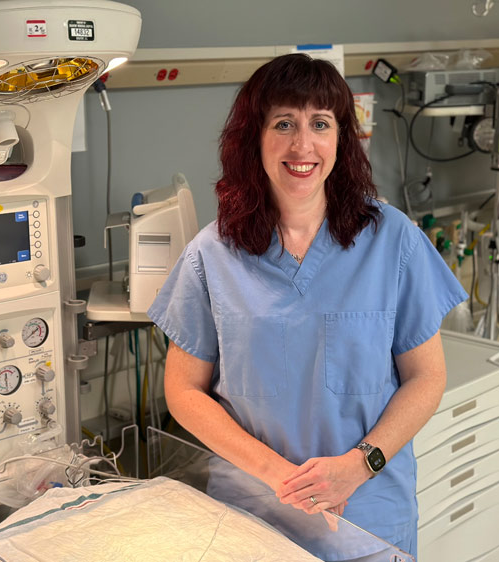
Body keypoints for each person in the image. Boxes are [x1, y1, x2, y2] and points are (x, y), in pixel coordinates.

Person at [147, 54, 467, 560]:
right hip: (252, 521)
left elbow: (426, 377)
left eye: (320, 123)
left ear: (342, 137)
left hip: (369, 520)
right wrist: (281, 477)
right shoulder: (213, 254)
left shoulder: (393, 241)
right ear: (254, 138)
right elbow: (183, 391)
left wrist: (358, 466)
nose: (303, 145)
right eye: (283, 124)